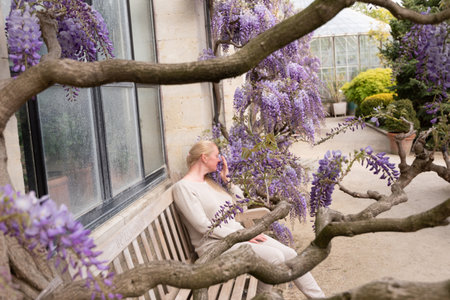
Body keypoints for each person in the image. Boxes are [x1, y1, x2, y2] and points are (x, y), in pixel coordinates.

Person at [172, 140, 325, 298]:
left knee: (290, 254)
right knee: (275, 257)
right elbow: (203, 227)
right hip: (215, 247)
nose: (220, 160)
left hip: (239, 236)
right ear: (204, 157)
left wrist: (228, 181)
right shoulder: (183, 188)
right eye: (217, 155)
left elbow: (241, 206)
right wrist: (241, 236)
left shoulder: (210, 182)